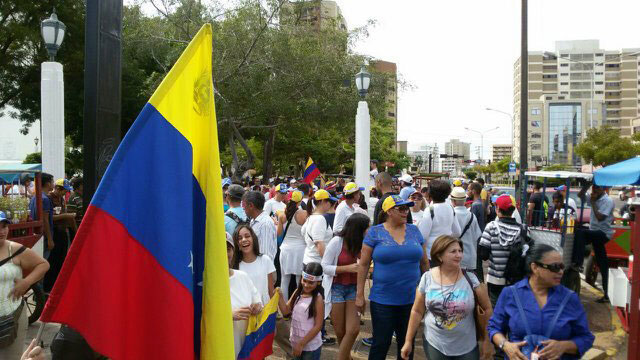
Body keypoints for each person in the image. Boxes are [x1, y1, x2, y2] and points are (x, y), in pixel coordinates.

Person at [488, 244, 594, 359]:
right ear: (535, 268)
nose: (561, 272)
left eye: (562, 266)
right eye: (555, 267)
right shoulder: (510, 294)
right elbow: (494, 328)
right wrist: (505, 345)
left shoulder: (570, 298)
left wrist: (564, 346)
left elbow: (586, 338)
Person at [356, 195, 428, 360]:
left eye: (406, 208)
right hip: (383, 300)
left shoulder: (415, 230)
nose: (405, 212)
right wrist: (360, 294)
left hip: (412, 300)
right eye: (401, 208)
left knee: (406, 344)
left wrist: (428, 291)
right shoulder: (374, 232)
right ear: (388, 211)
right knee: (381, 344)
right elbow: (364, 265)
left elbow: (424, 263)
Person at [401, 235, 493, 360]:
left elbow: (487, 309)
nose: (459, 255)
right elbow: (417, 311)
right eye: (453, 251)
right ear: (439, 256)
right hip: (435, 345)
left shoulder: (471, 279)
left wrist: (487, 341)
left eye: (460, 251)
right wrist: (408, 341)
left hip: (467, 348)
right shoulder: (427, 278)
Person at [0, 211, 50, 359]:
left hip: (13, 317)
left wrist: (26, 282)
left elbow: (43, 264)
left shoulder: (13, 249)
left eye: (4, 227)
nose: (1, 231)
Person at [321, 213, 369, 360]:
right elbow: (324, 266)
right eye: (367, 227)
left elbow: (366, 266)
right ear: (358, 229)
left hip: (354, 289)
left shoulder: (364, 244)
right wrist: (348, 268)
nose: (369, 230)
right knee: (340, 331)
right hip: (336, 288)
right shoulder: (337, 242)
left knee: (353, 330)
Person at [479, 195, 524, 306]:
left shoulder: (491, 227)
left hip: (495, 279)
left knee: (496, 307)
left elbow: (483, 254)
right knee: (512, 307)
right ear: (513, 210)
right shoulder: (523, 229)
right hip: (515, 280)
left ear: (497, 209)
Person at [575, 183, 615, 303]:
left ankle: (579, 262)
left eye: (597, 188)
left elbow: (600, 218)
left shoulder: (607, 201)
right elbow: (580, 194)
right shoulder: (594, 196)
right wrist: (586, 185)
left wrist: (592, 203)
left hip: (603, 233)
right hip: (595, 233)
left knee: (581, 233)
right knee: (602, 263)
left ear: (603, 189)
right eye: (594, 188)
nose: (594, 190)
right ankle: (607, 295)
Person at [278, 262, 325, 360]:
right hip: (295, 343)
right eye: (305, 280)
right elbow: (286, 311)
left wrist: (301, 344)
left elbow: (318, 326)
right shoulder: (297, 292)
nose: (306, 285)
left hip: (310, 348)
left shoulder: (318, 299)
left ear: (318, 282)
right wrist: (279, 297)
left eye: (311, 282)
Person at [227, 232, 263, 359]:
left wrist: (257, 306)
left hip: (245, 346)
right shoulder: (207, 282)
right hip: (222, 348)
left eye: (228, 249)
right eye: (220, 249)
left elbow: (257, 302)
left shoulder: (242, 276)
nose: (225, 254)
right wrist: (229, 315)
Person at [418, 180, 462, 265]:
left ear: (430, 194)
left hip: (431, 253)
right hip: (447, 251)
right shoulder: (450, 208)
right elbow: (457, 232)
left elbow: (422, 236)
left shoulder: (430, 210)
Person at [278, 190, 309, 300]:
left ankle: (285, 310)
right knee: (298, 280)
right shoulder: (304, 214)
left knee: (284, 280)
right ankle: (298, 305)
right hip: (300, 249)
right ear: (300, 201)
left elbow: (279, 233)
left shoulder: (282, 215)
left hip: (286, 249)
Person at [451, 187, 482, 276]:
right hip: (470, 258)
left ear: (453, 201)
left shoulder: (451, 215)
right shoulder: (472, 216)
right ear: (465, 201)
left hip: (453, 257)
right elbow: (477, 236)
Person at [301, 190, 337, 266]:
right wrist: (327, 264)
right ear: (322, 201)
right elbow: (319, 243)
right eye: (329, 201)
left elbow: (303, 234)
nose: (330, 204)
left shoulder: (311, 217)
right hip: (317, 263)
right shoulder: (320, 219)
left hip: (309, 260)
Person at [243, 190, 277, 263]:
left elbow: (265, 254)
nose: (243, 209)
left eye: (244, 206)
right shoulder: (254, 220)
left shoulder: (265, 224)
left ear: (251, 206)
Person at [28, 173, 54, 258]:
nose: (53, 184)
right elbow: (45, 220)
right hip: (44, 237)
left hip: (36, 234)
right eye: (52, 181)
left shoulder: (35, 197)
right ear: (48, 183)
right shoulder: (45, 199)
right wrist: (50, 239)